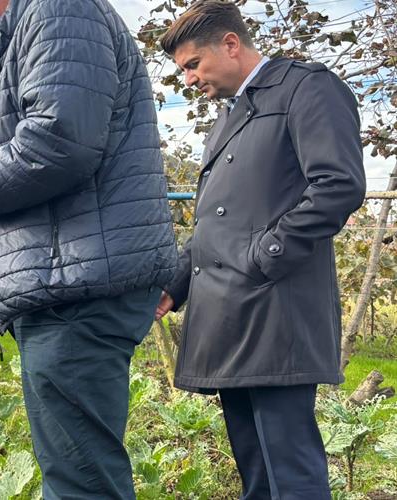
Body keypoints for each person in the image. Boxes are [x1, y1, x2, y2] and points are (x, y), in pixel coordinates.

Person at [0, 0, 178, 497]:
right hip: (70, 281)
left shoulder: (60, 11)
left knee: (82, 481)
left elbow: (58, 142)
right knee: (75, 468)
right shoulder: (47, 24)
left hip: (74, 287)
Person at [153, 2, 366, 497]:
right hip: (230, 314)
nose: (187, 79)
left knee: (291, 474)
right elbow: (213, 223)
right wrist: (174, 286)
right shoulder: (226, 120)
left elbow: (337, 186)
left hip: (277, 312)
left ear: (230, 44)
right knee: (256, 472)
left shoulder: (307, 88)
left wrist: (262, 257)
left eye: (191, 65)